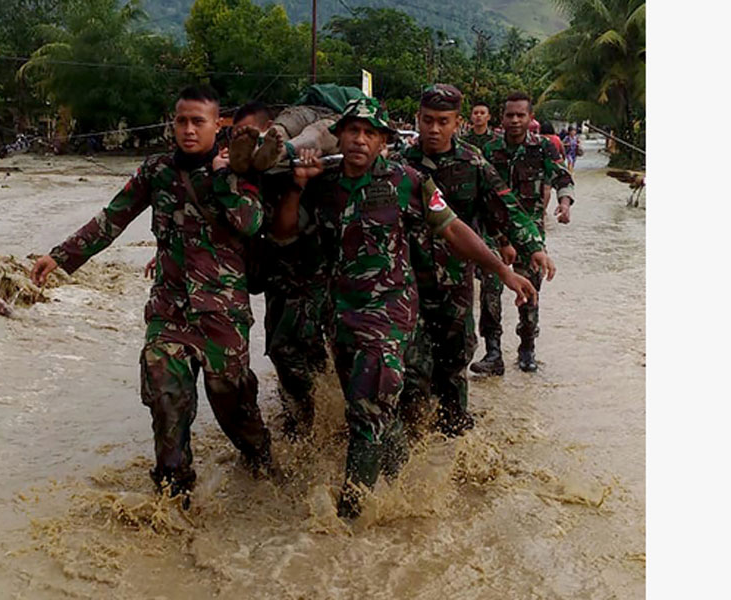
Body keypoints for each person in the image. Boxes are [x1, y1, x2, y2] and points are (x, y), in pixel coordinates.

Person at [271, 97, 539, 518]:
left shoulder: (408, 181)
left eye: (370, 133)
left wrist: (503, 271)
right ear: (339, 136)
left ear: (383, 142)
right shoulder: (323, 184)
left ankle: (351, 518)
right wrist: (297, 185)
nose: (360, 140)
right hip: (340, 318)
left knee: (366, 415)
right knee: (375, 409)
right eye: (353, 131)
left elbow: (453, 228)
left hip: (389, 317)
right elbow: (284, 233)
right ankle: (407, 487)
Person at [30, 86, 277, 507]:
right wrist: (61, 256)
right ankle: (173, 497)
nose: (188, 130)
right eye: (181, 121)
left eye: (198, 121)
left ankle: (262, 465)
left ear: (217, 125)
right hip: (169, 311)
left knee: (234, 407)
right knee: (166, 400)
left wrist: (222, 178)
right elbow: (113, 218)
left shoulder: (239, 168)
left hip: (222, 315)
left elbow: (250, 222)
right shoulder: (156, 171)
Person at [398, 84, 553, 438]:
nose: (434, 129)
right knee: (412, 370)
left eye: (443, 121)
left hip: (455, 282)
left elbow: (507, 207)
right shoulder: (399, 165)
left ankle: (453, 442)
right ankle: (414, 443)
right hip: (408, 285)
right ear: (418, 119)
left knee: (454, 365)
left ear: (458, 123)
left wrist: (533, 247)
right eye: (427, 120)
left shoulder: (473, 163)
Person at [233, 101, 330, 440]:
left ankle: (312, 424)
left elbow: (286, 230)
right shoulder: (243, 175)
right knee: (283, 349)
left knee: (297, 349)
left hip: (312, 274)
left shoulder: (306, 157)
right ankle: (303, 420)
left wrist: (297, 181)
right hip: (277, 276)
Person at [472, 91, 575, 374]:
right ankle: (493, 352)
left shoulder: (542, 148)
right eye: (510, 115)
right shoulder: (489, 151)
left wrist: (565, 203)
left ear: (530, 118)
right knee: (490, 290)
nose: (515, 120)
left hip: (530, 236)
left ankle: (527, 347)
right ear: (502, 118)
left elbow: (562, 177)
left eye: (521, 115)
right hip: (494, 233)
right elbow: (481, 194)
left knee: (530, 290)